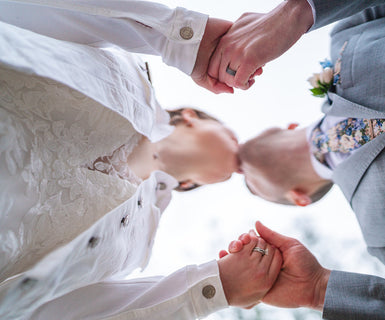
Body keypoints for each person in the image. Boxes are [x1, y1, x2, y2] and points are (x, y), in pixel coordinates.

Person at [0, 2, 280, 319]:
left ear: (190, 184)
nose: (238, 151)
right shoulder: (128, 76)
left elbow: (50, 310)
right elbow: (29, 10)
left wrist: (214, 290)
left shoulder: (135, 246)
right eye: (231, 135)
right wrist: (183, 39)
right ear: (191, 117)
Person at [220, 0, 385, 318]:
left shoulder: (345, 31)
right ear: (299, 198)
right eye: (248, 184)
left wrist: (298, 12)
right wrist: (317, 289)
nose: (235, 170)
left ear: (285, 126)